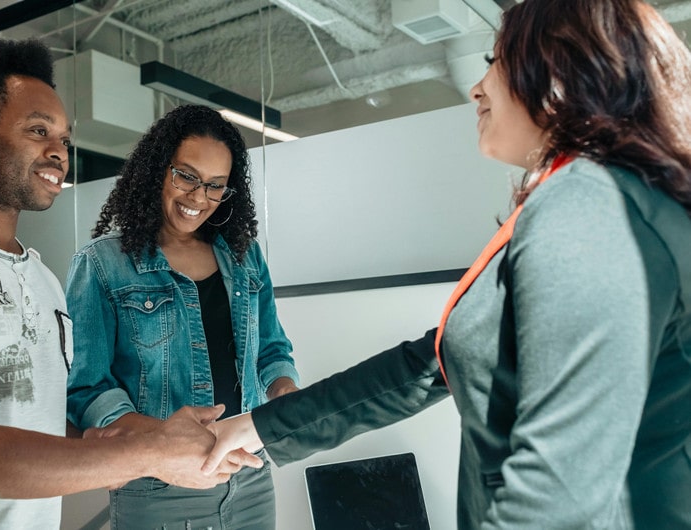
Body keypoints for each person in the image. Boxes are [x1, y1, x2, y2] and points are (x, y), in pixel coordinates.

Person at [203, 0, 691, 528]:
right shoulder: (603, 199)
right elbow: (432, 365)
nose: (477, 88)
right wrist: (258, 427)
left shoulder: (588, 207)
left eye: (494, 61)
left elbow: (558, 493)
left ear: (557, 72)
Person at [0, 37, 259, 530]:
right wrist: (148, 454)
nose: (58, 153)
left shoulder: (39, 278)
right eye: (38, 131)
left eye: (63, 139)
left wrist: (102, 441)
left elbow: (28, 413)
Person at [65, 104, 300, 529]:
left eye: (215, 186)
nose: (199, 198)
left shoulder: (245, 257)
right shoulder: (102, 265)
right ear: (158, 169)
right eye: (187, 176)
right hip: (159, 485)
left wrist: (285, 393)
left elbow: (271, 349)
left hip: (249, 478)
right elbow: (88, 387)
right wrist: (162, 442)